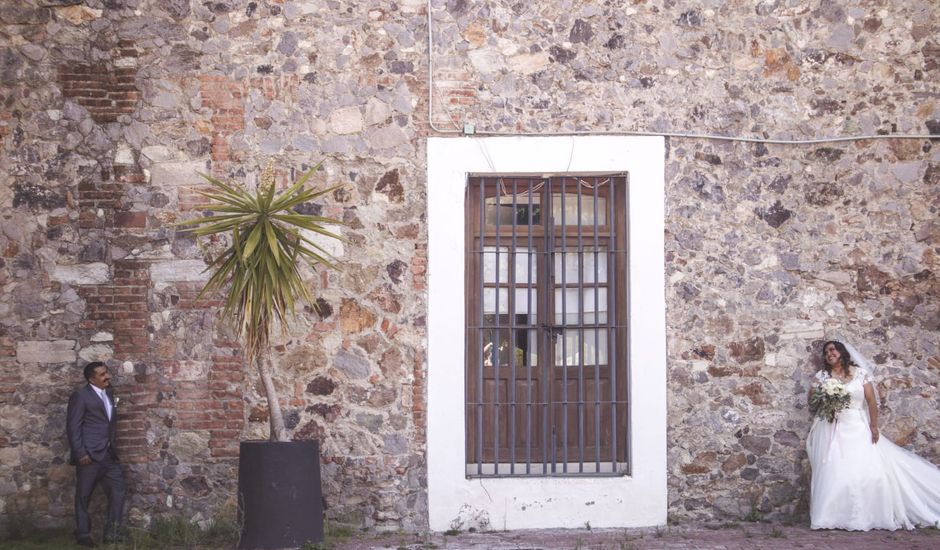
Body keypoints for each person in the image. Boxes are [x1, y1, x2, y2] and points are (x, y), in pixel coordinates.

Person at [807, 340, 940, 530]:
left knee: (865, 469)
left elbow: (871, 401)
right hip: (831, 428)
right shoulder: (822, 376)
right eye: (826, 352)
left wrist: (874, 426)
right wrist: (825, 396)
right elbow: (812, 401)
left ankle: (864, 514)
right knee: (833, 469)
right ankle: (830, 516)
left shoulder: (859, 373)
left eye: (833, 349)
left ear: (842, 352)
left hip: (856, 426)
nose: (830, 353)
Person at [66, 361, 126, 547]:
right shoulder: (81, 396)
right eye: (102, 374)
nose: (107, 376)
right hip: (89, 456)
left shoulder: (109, 393)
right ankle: (83, 534)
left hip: (108, 455)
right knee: (83, 496)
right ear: (92, 379)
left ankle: (112, 534)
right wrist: (80, 453)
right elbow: (73, 427)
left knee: (119, 491)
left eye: (106, 372)